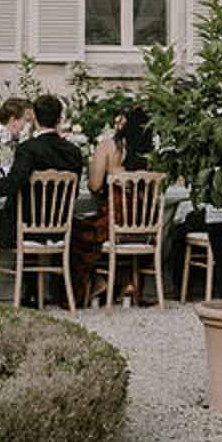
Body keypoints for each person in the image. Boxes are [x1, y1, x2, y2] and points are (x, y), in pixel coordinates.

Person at [0, 94, 84, 305]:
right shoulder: (74, 152)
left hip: (24, 227)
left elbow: (13, 183)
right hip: (60, 227)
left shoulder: (28, 149)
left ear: (35, 118)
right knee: (23, 211)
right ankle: (34, 293)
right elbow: (73, 194)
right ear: (59, 119)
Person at [71, 107, 151, 305]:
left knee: (75, 232)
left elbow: (95, 185)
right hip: (145, 229)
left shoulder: (108, 146)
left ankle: (99, 282)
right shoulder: (150, 153)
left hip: (115, 223)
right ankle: (127, 282)